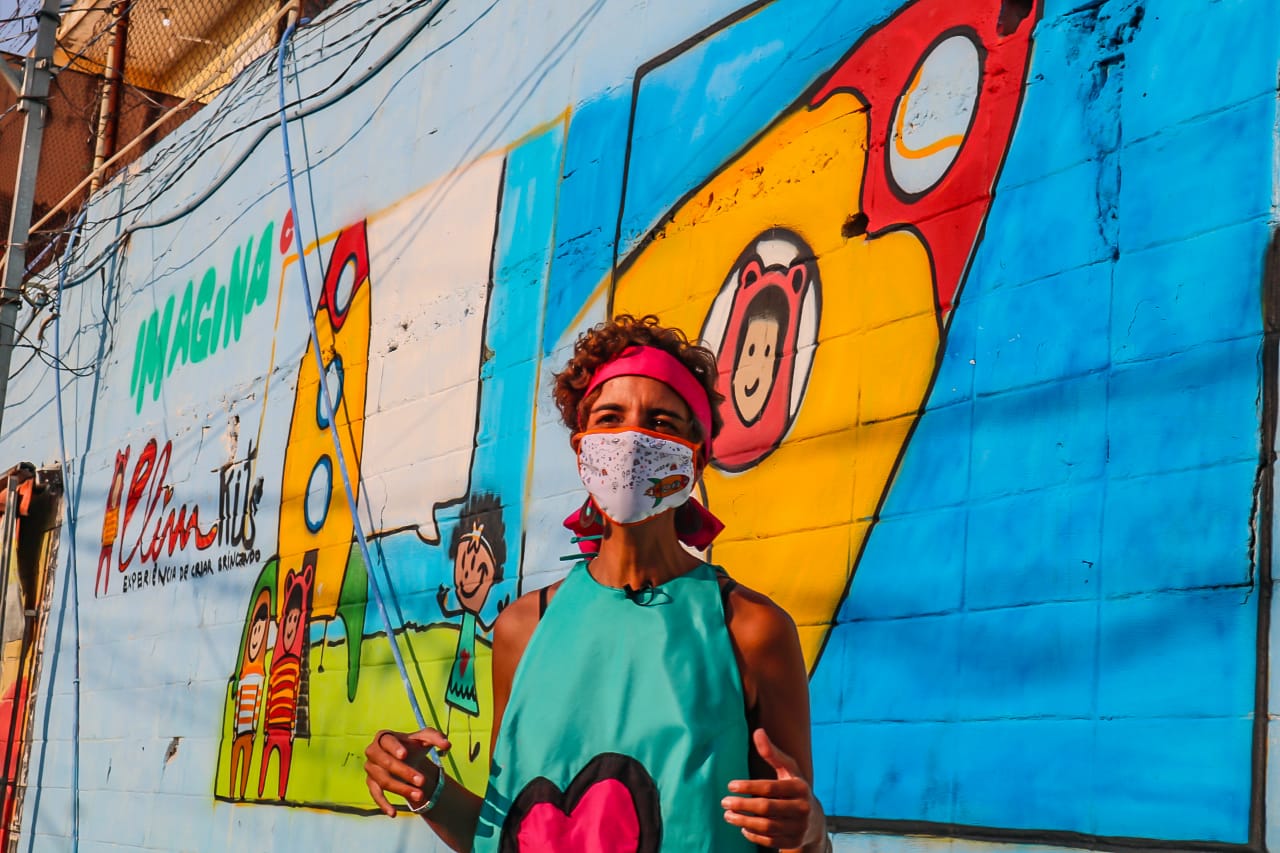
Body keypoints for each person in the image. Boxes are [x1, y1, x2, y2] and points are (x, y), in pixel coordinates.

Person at [365, 314, 829, 851]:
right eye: (610, 418)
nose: (632, 439)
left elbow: (797, 831)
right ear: (581, 447)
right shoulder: (523, 629)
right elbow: (511, 830)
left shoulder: (749, 629)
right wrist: (427, 789)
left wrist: (810, 834)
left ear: (694, 456)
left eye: (661, 422)